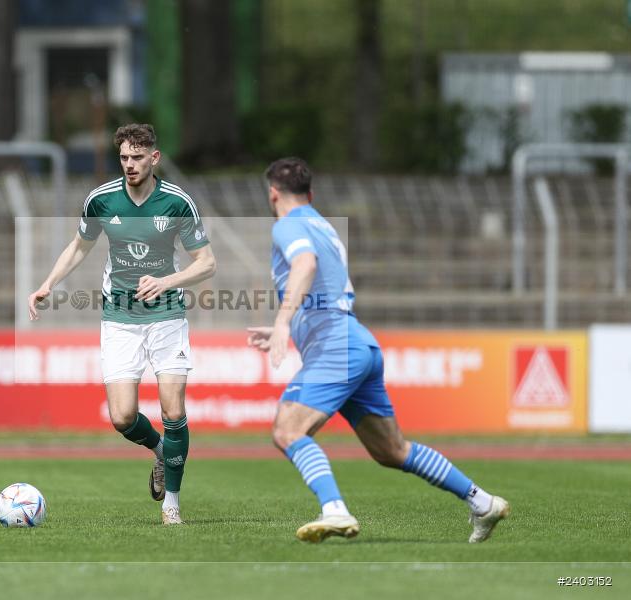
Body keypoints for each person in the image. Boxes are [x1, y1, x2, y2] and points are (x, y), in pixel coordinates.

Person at [246, 157, 509, 543]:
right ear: (311, 193)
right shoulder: (325, 227)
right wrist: (289, 325)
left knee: (288, 430)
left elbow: (304, 264)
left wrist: (284, 321)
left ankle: (334, 510)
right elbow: (327, 288)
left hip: (336, 346)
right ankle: (482, 502)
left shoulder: (288, 224)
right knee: (391, 450)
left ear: (272, 194)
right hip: (358, 342)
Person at [29, 124, 216, 525]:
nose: (130, 165)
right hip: (120, 319)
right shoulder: (102, 199)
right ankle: (162, 452)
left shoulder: (177, 202)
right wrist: (48, 283)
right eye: (124, 158)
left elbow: (207, 263)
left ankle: (172, 506)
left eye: (137, 157)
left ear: (154, 158)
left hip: (167, 315)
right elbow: (80, 246)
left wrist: (166, 281)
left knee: (173, 407)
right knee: (122, 417)